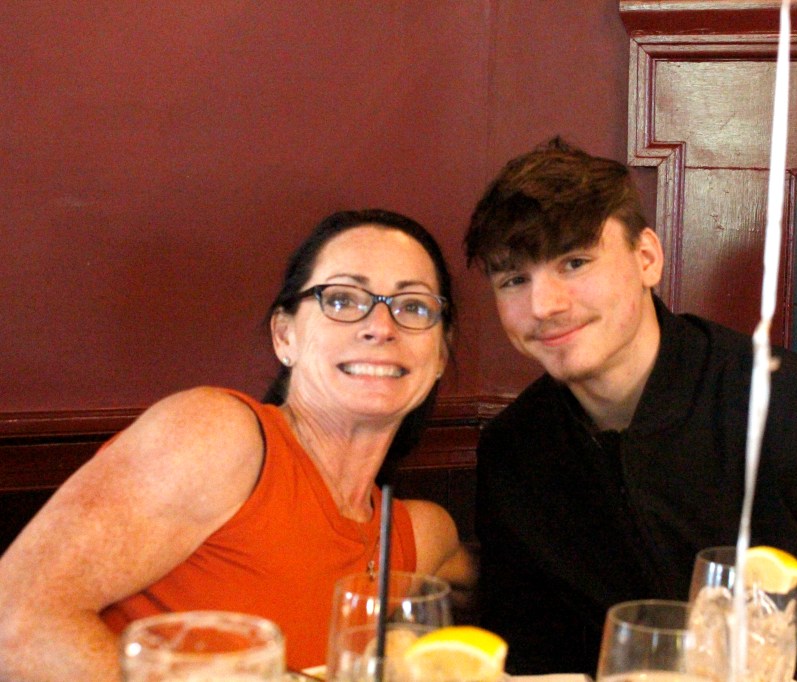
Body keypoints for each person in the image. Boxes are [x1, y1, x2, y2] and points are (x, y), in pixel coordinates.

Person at [463, 138, 797, 676]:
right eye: (515, 280)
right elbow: (526, 657)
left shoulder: (789, 401)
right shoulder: (514, 452)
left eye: (575, 262)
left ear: (647, 258)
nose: (544, 305)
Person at [0, 209, 473, 680]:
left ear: (439, 354)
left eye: (414, 307)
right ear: (285, 336)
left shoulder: (417, 535)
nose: (381, 327)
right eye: (342, 299)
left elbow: (494, 583)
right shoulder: (218, 435)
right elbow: (14, 624)